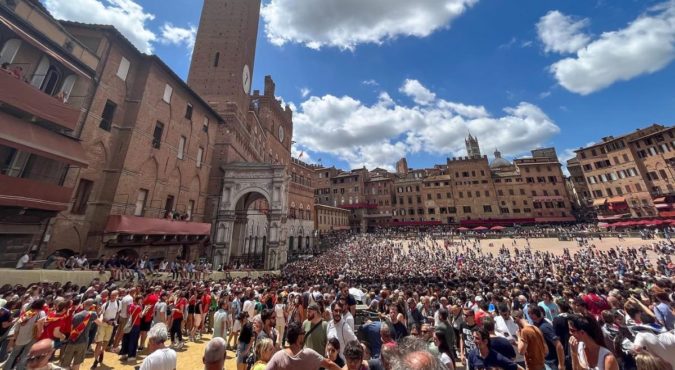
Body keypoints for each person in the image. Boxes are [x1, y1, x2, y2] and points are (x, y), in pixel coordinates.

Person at [265, 321, 341, 370]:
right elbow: (329, 364)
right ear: (299, 337)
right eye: (303, 333)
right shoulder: (309, 354)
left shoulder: (279, 356)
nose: (304, 335)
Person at [4, 299, 47, 370]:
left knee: (13, 354)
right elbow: (42, 325)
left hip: (21, 337)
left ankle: (7, 368)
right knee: (25, 355)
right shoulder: (42, 313)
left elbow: (18, 324)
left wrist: (16, 336)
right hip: (33, 337)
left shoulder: (28, 312)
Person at [60, 299, 97, 370]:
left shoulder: (75, 315)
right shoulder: (92, 314)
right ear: (92, 306)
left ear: (83, 304)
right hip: (83, 342)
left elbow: (70, 328)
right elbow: (99, 322)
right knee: (77, 364)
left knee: (65, 364)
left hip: (72, 341)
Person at [530, 305, 565, 370]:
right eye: (529, 313)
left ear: (537, 313)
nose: (530, 316)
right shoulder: (537, 325)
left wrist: (561, 364)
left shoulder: (544, 327)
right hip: (546, 360)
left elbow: (558, 345)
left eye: (532, 314)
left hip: (552, 361)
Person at [91, 290, 119, 369]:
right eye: (112, 295)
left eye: (115, 295)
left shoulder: (118, 303)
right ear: (110, 296)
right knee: (99, 342)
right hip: (103, 324)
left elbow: (117, 313)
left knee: (106, 341)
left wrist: (114, 321)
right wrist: (107, 321)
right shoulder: (105, 304)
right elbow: (101, 314)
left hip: (111, 325)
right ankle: (95, 360)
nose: (113, 296)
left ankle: (102, 352)